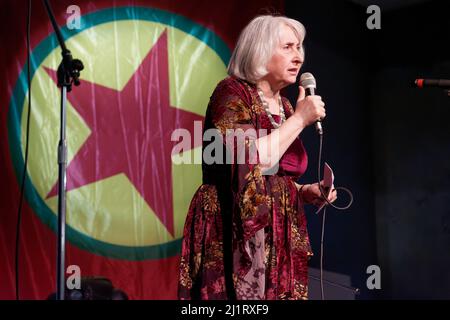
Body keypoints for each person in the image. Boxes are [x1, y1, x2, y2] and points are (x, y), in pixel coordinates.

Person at [178, 14, 337, 300]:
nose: (298, 57)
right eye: (288, 47)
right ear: (260, 51)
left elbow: (273, 175)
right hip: (233, 228)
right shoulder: (231, 92)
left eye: (299, 47)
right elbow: (251, 159)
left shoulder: (286, 105)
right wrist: (301, 120)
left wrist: (302, 191)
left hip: (280, 233)